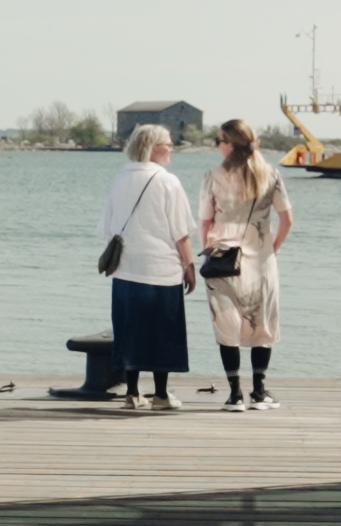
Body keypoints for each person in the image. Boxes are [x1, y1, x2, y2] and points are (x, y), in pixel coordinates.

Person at [96, 124, 199, 411]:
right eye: (167, 144)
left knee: (130, 330)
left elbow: (107, 226)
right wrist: (189, 265)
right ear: (153, 148)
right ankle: (161, 395)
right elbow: (181, 231)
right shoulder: (168, 181)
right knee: (163, 332)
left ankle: (132, 393)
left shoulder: (120, 178)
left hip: (126, 267)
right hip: (161, 268)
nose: (171, 149)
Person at [199, 117, 297, 410]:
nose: (217, 145)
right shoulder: (270, 174)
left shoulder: (212, 176)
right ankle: (259, 391)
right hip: (261, 259)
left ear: (230, 145)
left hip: (222, 258)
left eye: (219, 140)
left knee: (226, 324)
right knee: (261, 324)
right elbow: (287, 219)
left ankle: (234, 395)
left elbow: (205, 220)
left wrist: (207, 247)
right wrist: (273, 248)